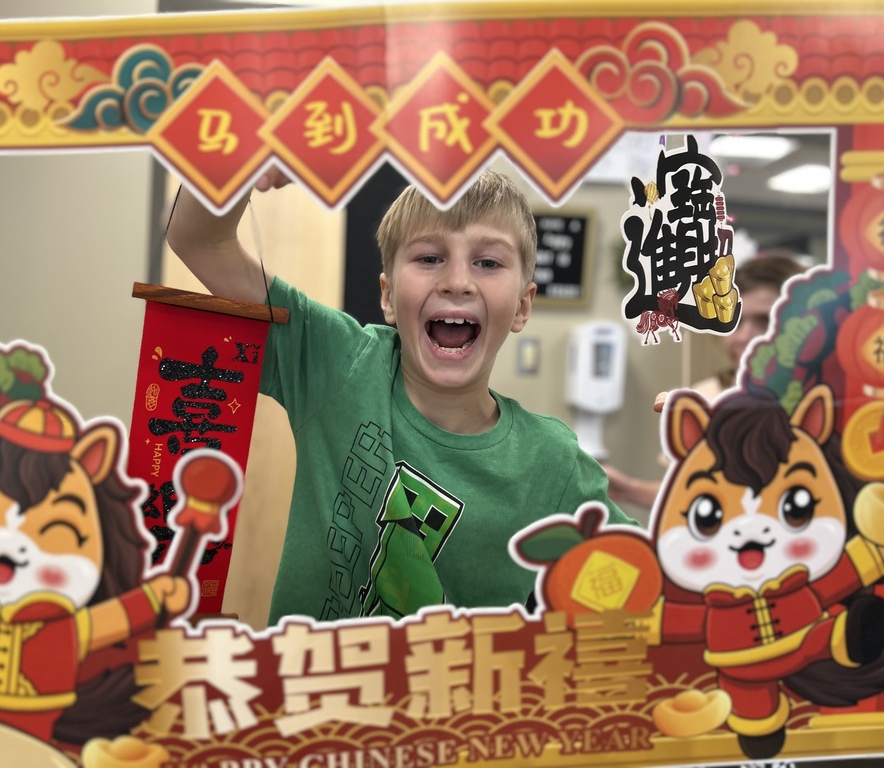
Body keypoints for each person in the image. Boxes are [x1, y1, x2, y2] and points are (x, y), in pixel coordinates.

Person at [167, 169, 639, 624]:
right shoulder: (340, 363)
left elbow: (654, 582)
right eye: (430, 258)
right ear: (388, 296)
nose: (457, 281)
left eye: (488, 262)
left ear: (522, 304)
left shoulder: (552, 462)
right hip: (303, 699)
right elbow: (198, 240)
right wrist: (240, 158)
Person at [602, 251, 806, 510]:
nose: (742, 337)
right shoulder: (706, 396)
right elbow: (693, 494)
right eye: (735, 320)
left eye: (764, 320)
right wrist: (628, 490)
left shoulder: (827, 400)